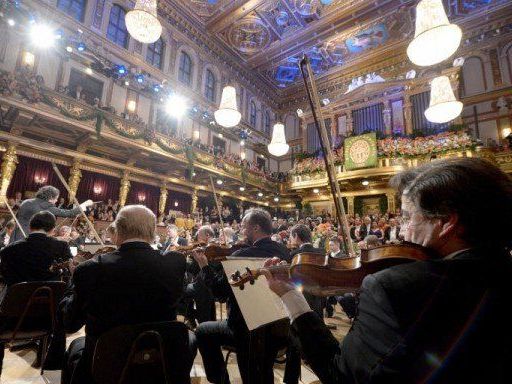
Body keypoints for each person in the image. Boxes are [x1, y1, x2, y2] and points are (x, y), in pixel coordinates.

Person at [263, 158, 512, 383]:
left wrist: (290, 296)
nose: (402, 232)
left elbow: (341, 375)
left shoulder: (395, 288)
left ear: (445, 222)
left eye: (407, 218)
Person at [60, 205, 195, 384]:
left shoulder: (91, 269)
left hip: (106, 366)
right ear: (153, 232)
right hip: (159, 360)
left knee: (76, 346)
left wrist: (72, 280)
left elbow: (70, 323)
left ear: (118, 230)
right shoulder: (175, 263)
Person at [194, 208, 289, 384]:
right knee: (264, 369)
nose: (241, 231)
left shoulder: (241, 255)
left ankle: (221, 380)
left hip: (246, 331)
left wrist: (204, 266)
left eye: (244, 227)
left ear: (255, 228)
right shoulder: (284, 251)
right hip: (278, 328)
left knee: (203, 331)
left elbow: (220, 293)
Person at [0, 211, 72, 286]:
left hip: (18, 295)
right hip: (50, 295)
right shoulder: (62, 246)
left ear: (30, 226)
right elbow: (69, 273)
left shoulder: (8, 250)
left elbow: (5, 276)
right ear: (52, 229)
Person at [9, 186, 93, 244]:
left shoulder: (26, 201)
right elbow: (69, 213)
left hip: (15, 236)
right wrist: (84, 204)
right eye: (56, 198)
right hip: (29, 239)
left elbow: (16, 218)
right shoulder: (46, 206)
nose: (56, 200)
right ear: (50, 198)